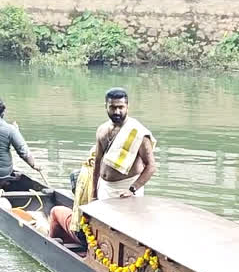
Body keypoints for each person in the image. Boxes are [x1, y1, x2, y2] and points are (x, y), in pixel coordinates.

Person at [47, 87, 157, 246]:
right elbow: (97, 162)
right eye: (113, 107)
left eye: (121, 107)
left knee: (121, 231)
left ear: (127, 107)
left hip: (126, 191)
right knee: (101, 227)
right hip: (104, 187)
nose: (117, 111)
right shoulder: (103, 130)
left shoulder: (138, 133)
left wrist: (132, 189)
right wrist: (93, 193)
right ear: (106, 107)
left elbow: (151, 167)